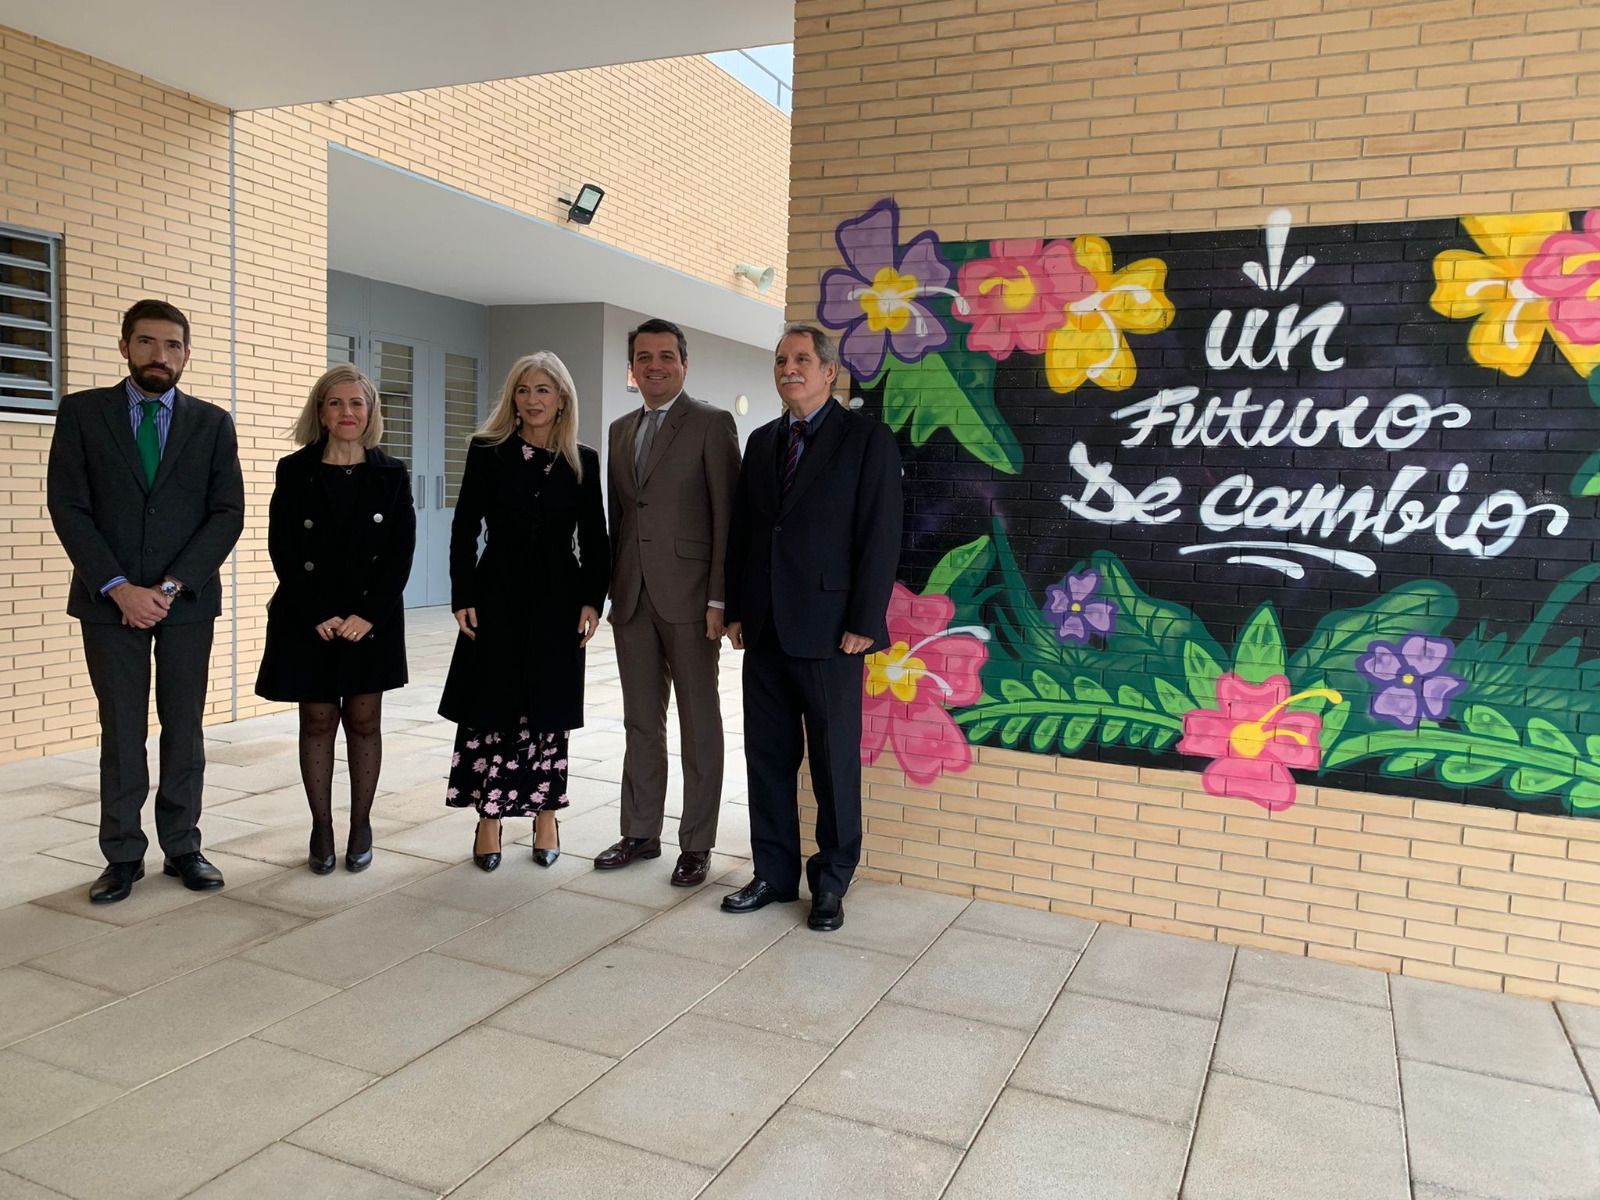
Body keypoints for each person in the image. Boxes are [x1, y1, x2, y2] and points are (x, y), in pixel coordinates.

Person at [46, 299, 245, 904]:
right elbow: (68, 506)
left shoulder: (212, 423)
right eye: (147, 342)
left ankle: (183, 846)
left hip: (185, 604)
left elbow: (226, 514)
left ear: (187, 354)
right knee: (122, 729)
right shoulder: (83, 413)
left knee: (184, 727)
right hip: (109, 603)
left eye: (173, 345)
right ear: (125, 346)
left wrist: (169, 588)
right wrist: (118, 587)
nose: (161, 355)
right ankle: (122, 856)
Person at [722, 324, 902, 932]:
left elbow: (880, 533)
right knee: (767, 759)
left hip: (832, 633)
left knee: (832, 764)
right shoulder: (762, 441)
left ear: (829, 371)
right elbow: (746, 533)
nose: (788, 368)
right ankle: (773, 875)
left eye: (801, 359)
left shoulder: (866, 440)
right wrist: (738, 609)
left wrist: (865, 621)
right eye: (781, 360)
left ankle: (830, 883)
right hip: (765, 630)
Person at [439, 352, 608, 871]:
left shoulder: (582, 460)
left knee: (547, 712)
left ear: (562, 400)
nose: (532, 400)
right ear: (513, 398)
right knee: (492, 706)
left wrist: (592, 600)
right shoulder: (488, 452)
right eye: (523, 390)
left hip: (560, 600)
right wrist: (463, 595)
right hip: (497, 595)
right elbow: (465, 527)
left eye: (543, 390)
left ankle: (547, 815)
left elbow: (596, 538)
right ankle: (488, 818)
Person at [255, 365, 416, 874]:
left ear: (371, 412)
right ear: (321, 412)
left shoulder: (391, 474)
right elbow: (282, 545)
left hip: (371, 621)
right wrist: (318, 612)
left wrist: (368, 615)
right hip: (312, 619)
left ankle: (361, 823)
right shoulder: (293, 470)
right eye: (335, 403)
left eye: (356, 403)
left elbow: (401, 552)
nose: (347, 412)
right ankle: (321, 826)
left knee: (365, 722)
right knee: (318, 720)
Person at [599, 318, 741, 887]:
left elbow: (727, 517)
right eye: (643, 357)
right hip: (632, 599)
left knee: (698, 724)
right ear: (631, 368)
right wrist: (611, 593)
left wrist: (719, 599)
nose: (654, 365)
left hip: (692, 601)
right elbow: (619, 520)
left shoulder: (711, 423)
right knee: (640, 721)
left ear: (684, 363)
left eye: (665, 356)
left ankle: (697, 842)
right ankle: (640, 831)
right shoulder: (619, 430)